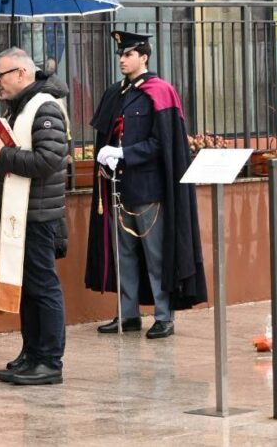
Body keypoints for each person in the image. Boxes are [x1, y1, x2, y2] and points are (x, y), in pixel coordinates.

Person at [86, 31, 206, 339]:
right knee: (123, 255)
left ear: (144, 57)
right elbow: (108, 135)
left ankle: (163, 316)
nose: (122, 59)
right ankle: (128, 315)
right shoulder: (117, 92)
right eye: (120, 55)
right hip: (118, 188)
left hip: (150, 190)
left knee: (155, 256)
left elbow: (162, 144)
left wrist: (125, 153)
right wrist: (108, 153)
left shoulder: (160, 91)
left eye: (128, 54)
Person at [0, 48, 69, 386]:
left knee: (43, 287)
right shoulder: (18, 107)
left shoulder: (45, 107)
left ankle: (49, 360)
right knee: (29, 289)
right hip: (20, 214)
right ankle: (31, 353)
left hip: (38, 215)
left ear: (21, 73)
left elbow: (49, 160)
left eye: (1, 75)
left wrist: (5, 154)